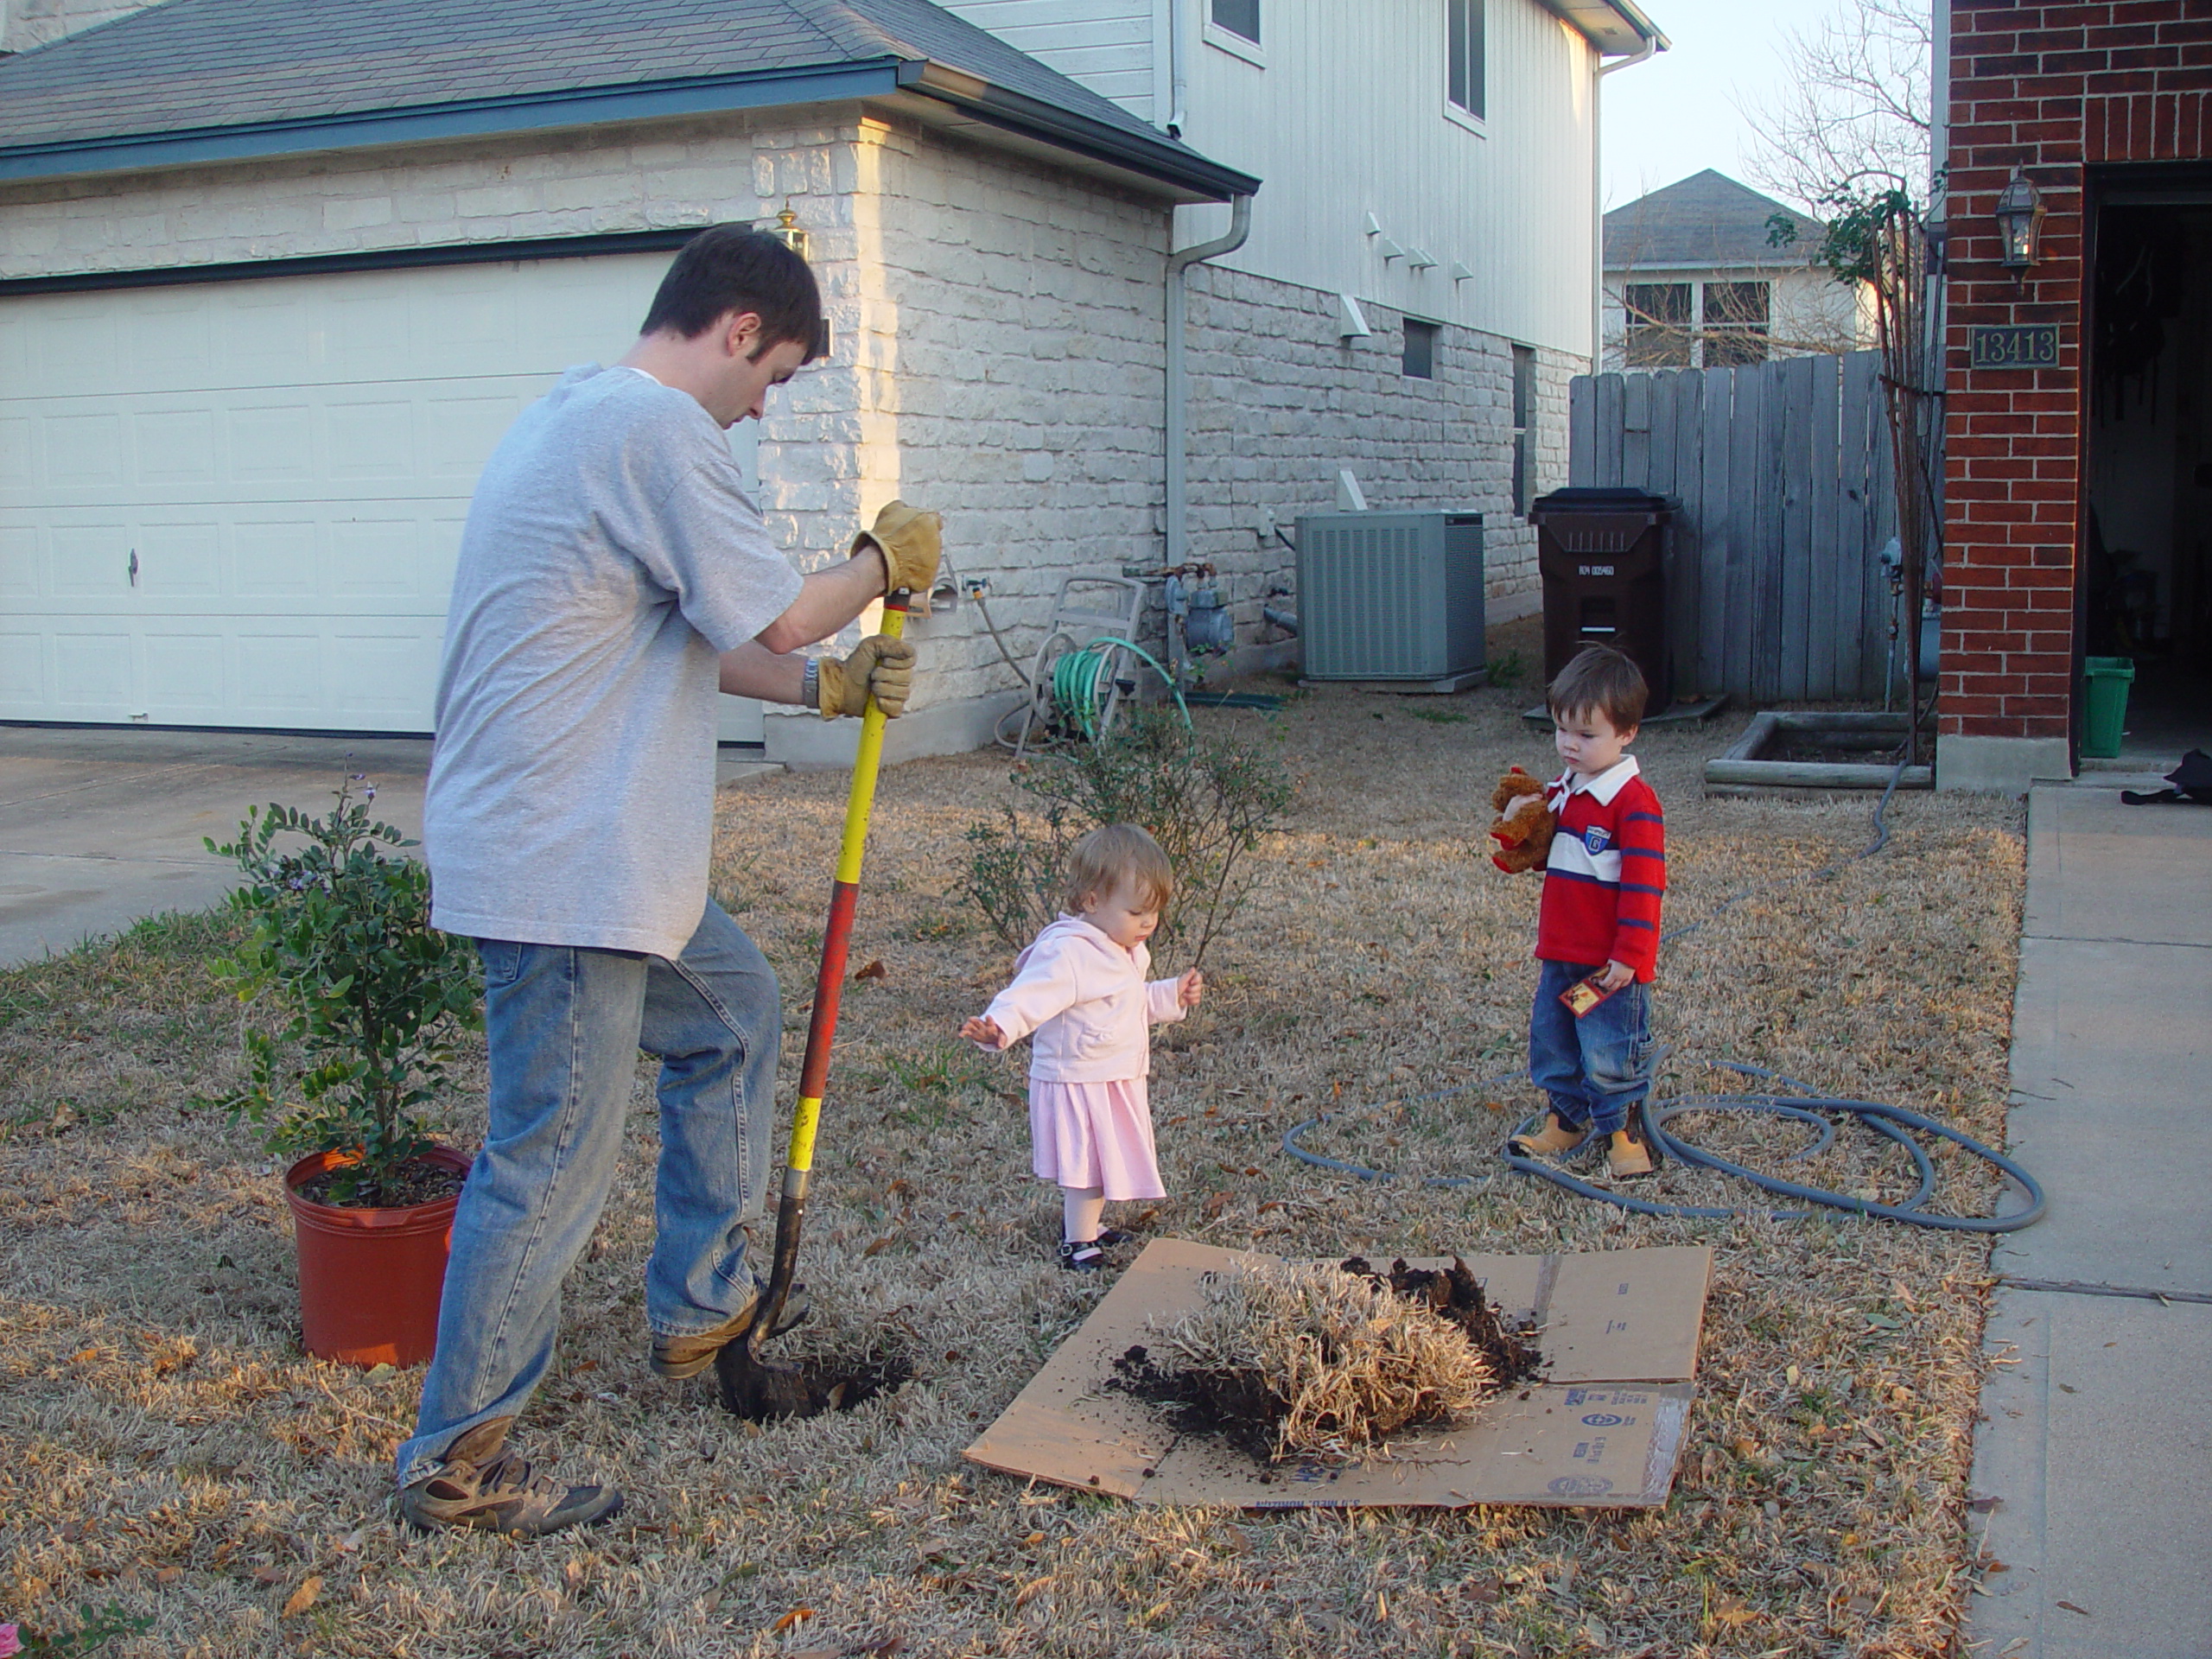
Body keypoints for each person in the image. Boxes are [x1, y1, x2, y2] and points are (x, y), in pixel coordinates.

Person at [393, 226, 942, 1536]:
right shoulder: (654, 432)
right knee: (551, 1158)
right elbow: (777, 613)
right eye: (780, 377)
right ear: (740, 329)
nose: (765, 410)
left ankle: (704, 1314)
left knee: (737, 1010)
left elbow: (722, 637)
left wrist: (828, 685)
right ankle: (451, 1469)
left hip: (593, 854)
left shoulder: (584, 416)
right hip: (565, 863)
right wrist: (882, 567)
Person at [959, 824, 1203, 1270]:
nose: (1148, 923)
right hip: (1079, 1079)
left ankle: (1089, 1225)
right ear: (1092, 902)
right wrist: (999, 1026)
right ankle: (1077, 1242)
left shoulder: (1127, 951)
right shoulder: (1069, 954)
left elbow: (1127, 1005)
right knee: (1088, 1165)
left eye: (1155, 912)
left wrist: (1171, 995)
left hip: (1112, 1076)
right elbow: (1030, 995)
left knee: (1107, 1157)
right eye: (1137, 912)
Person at [1501, 645, 1668, 1180]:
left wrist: (1629, 957)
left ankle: (1623, 1129)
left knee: (1608, 1050)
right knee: (1555, 1041)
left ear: (1627, 733)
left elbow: (1645, 888)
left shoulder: (1634, 804)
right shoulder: (1566, 790)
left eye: (1586, 735)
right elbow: (1543, 844)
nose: (1570, 745)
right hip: (1561, 952)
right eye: (1562, 730)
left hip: (1609, 968)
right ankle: (1566, 1118)